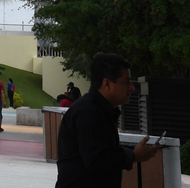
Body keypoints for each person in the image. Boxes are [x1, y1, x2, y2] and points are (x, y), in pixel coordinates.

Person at [56, 53, 161, 188]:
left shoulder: (99, 110)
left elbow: (102, 150)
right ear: (107, 83)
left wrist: (133, 152)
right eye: (126, 82)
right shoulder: (88, 112)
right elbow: (96, 159)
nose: (131, 88)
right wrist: (133, 155)